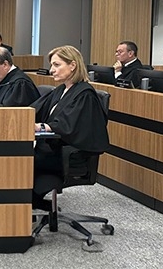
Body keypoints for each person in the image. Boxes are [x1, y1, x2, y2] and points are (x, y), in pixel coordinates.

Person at [31, 45, 109, 210]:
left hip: (69, 155)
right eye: (52, 65)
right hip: (52, 149)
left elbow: (69, 127)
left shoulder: (84, 94)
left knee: (20, 162)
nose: (52, 70)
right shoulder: (61, 90)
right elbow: (37, 109)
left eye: (57, 65)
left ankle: (25, 207)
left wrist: (41, 127)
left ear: (73, 65)